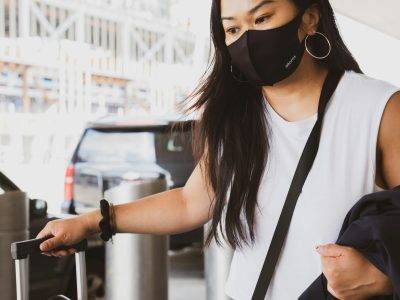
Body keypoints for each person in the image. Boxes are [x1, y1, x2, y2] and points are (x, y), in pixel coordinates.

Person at [36, 0, 400, 299]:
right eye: (233, 29)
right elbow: (190, 202)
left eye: (262, 17)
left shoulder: (378, 107)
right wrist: (89, 222)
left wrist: (385, 278)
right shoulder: (234, 117)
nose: (247, 39)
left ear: (308, 19)